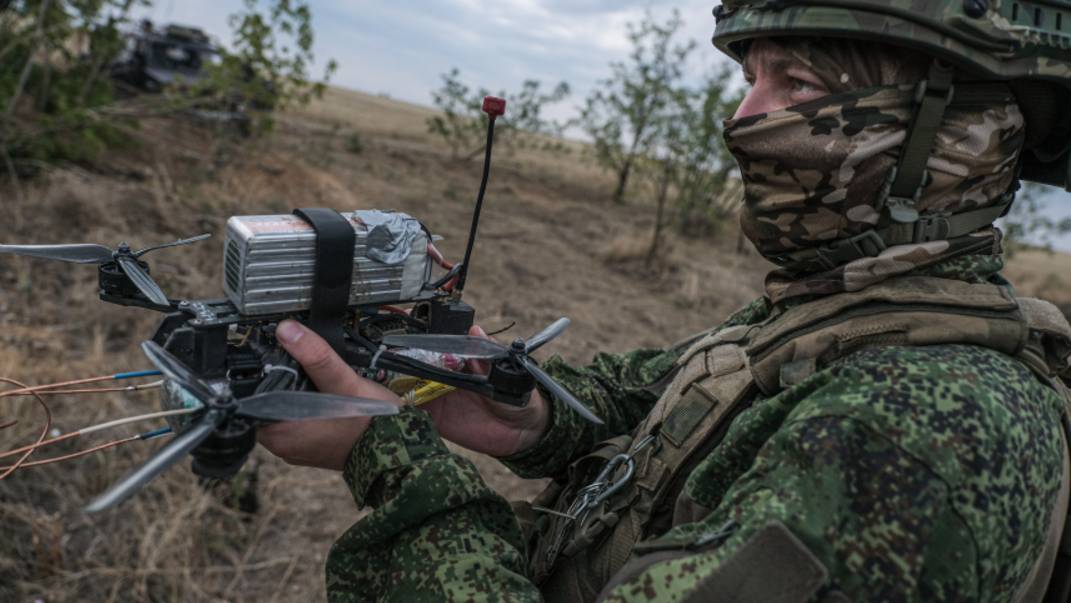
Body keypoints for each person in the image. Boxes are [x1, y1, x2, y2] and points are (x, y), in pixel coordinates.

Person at [258, 1, 1071, 600]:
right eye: (751, 78)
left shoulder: (910, 429)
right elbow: (661, 395)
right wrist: (526, 408)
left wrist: (389, 458)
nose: (743, 115)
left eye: (797, 83)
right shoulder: (847, 310)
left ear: (944, 140)